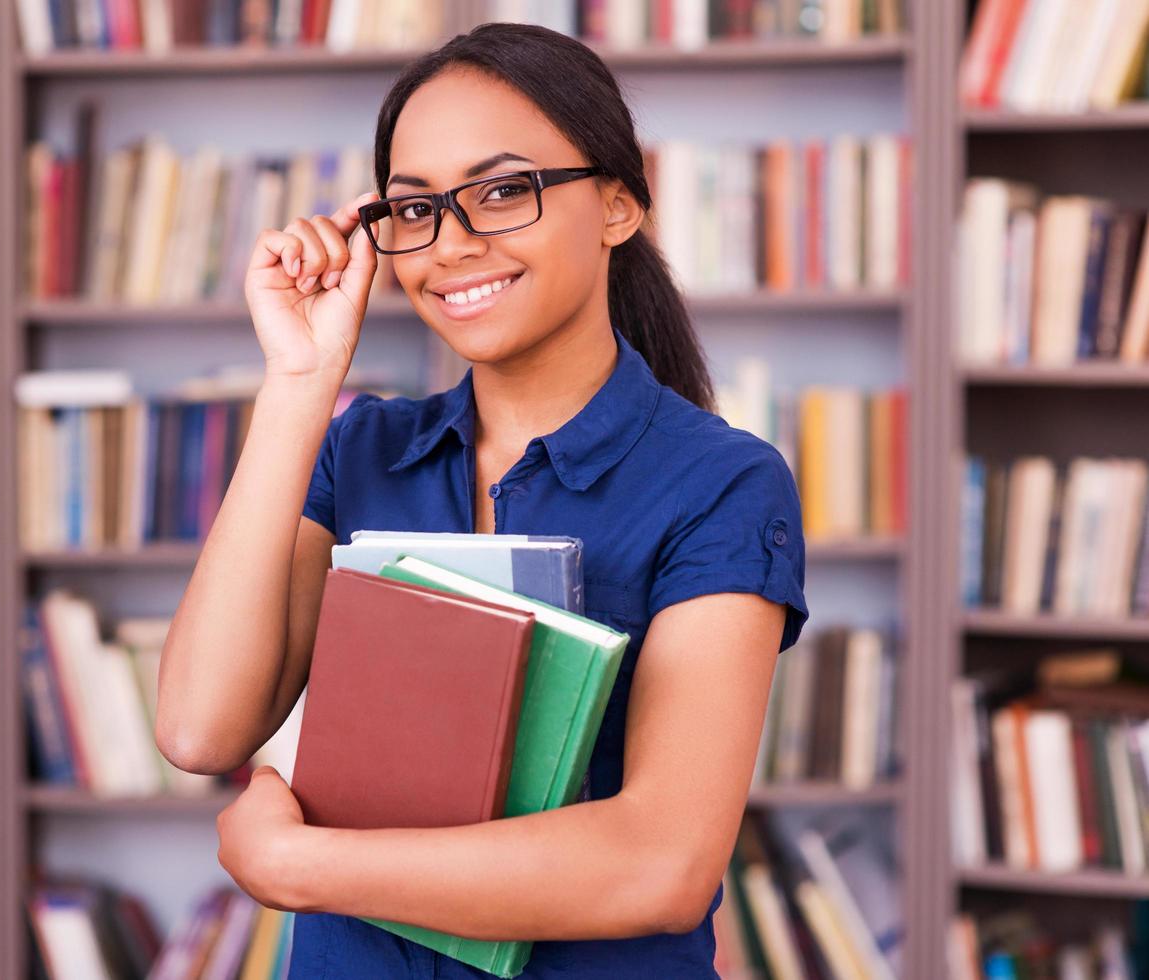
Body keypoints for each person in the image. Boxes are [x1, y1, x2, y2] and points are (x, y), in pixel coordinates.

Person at [156, 21, 809, 979]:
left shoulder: (721, 482)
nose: (450, 244)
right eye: (414, 210)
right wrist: (298, 383)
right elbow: (199, 727)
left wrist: (301, 865)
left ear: (617, 205)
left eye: (503, 192)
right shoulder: (361, 447)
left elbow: (659, 865)